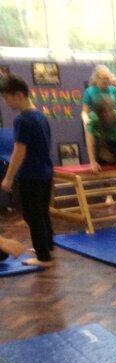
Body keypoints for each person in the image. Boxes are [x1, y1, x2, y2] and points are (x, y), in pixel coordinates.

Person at [0, 75, 54, 267]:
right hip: (46, 173)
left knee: (32, 215)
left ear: (19, 95)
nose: (5, 102)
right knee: (42, 213)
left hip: (31, 175)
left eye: (7, 98)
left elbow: (19, 150)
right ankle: (47, 246)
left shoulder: (22, 120)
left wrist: (8, 178)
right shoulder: (40, 115)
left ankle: (43, 257)